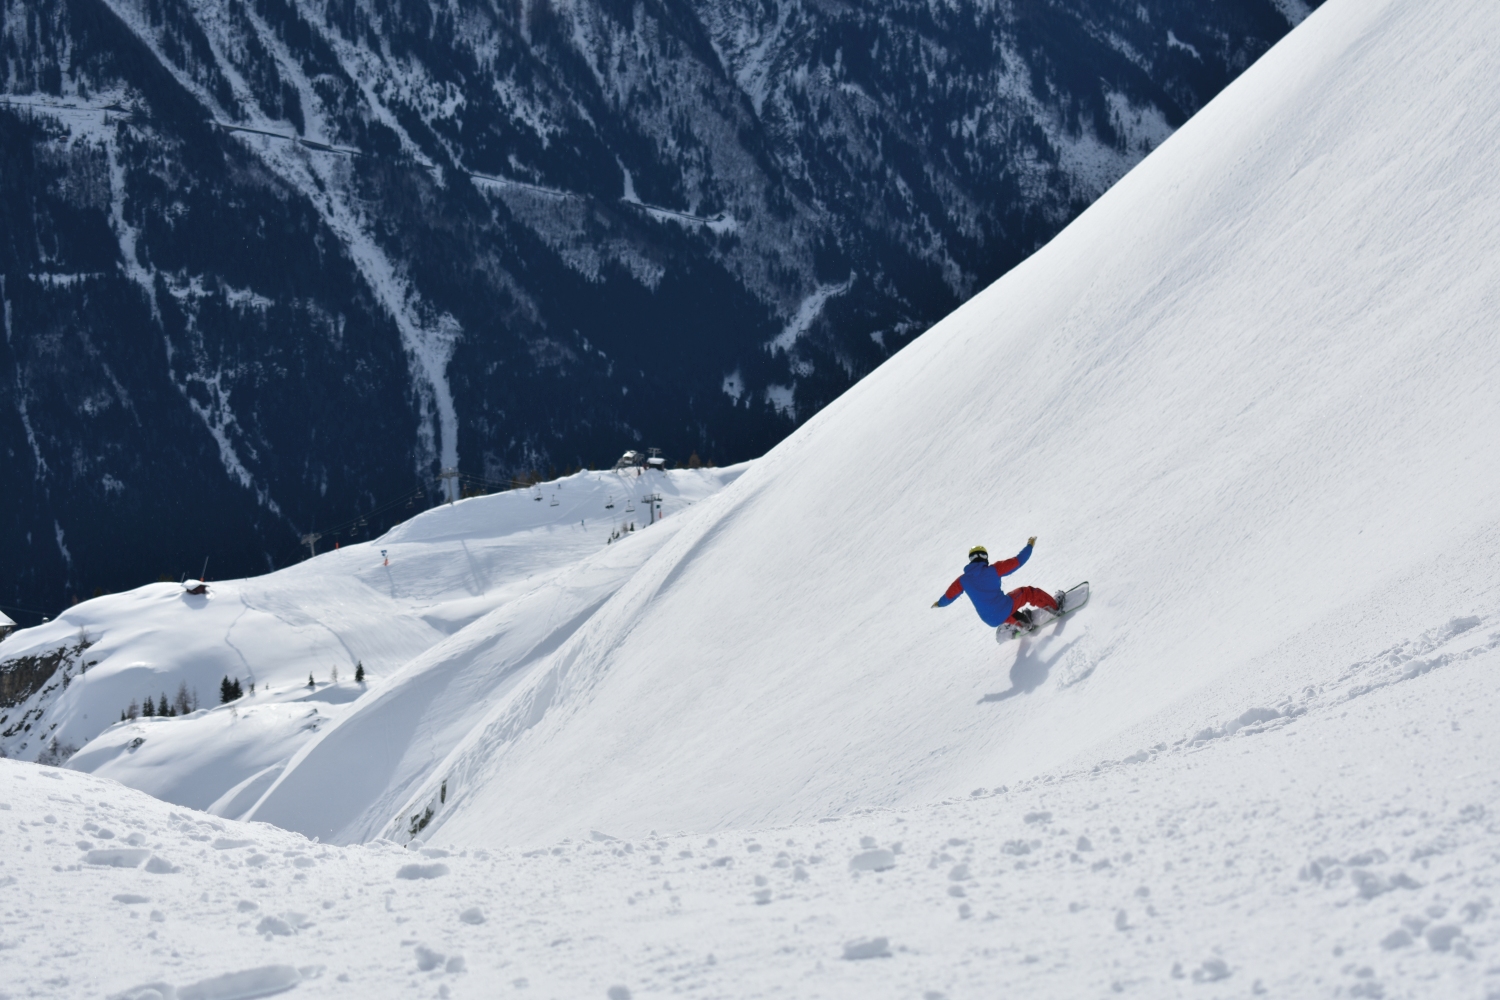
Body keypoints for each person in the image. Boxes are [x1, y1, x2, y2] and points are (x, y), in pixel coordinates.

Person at [931, 537, 1060, 629]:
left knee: (1005, 601)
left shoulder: (963, 580)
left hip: (990, 619)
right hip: (1002, 609)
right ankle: (1054, 607)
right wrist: (1030, 545)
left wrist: (939, 603)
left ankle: (1023, 623)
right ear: (985, 557)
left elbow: (949, 596)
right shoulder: (993, 570)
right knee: (1026, 592)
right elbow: (1018, 561)